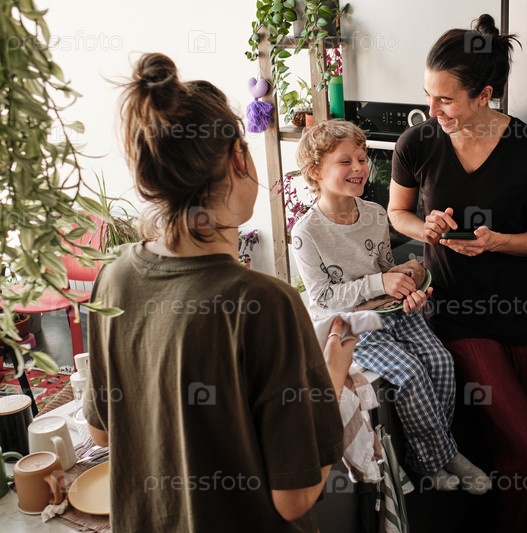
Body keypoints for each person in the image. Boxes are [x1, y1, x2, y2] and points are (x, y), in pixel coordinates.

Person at [83, 53, 354, 532]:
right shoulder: (265, 303)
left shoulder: (115, 276)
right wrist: (332, 372)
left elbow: (100, 432)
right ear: (237, 158)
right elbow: (295, 498)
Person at [387, 14, 527, 533]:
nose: (432, 110)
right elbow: (398, 213)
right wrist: (427, 228)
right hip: (458, 313)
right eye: (428, 95)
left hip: (525, 313)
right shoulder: (418, 143)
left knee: (524, 455)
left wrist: (497, 241)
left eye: (446, 100)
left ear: (485, 95)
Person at [291, 120, 490, 493]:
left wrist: (410, 287)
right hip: (354, 325)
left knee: (442, 362)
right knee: (410, 372)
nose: (359, 167)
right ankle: (438, 459)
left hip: (394, 312)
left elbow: (385, 269)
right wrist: (380, 284)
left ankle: (434, 455)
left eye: (362, 158)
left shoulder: (375, 213)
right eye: (345, 161)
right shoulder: (306, 232)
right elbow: (323, 299)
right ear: (315, 171)